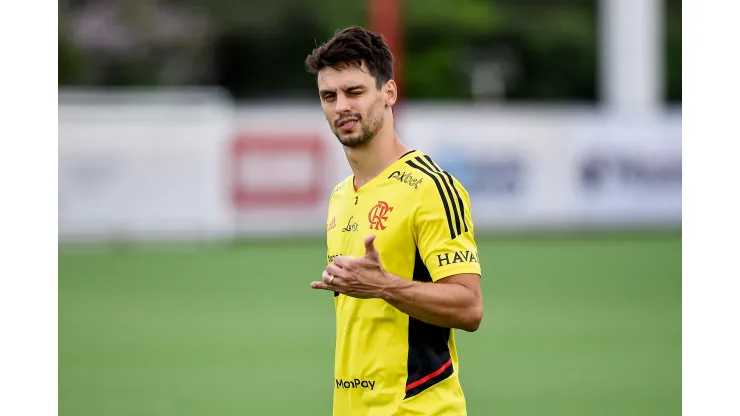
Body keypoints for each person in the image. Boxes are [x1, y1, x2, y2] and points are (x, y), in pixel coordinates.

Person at [306, 26, 483, 416]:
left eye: (354, 92)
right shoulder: (340, 195)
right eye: (328, 96)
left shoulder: (431, 188)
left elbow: (469, 307)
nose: (340, 107)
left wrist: (385, 285)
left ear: (389, 93)